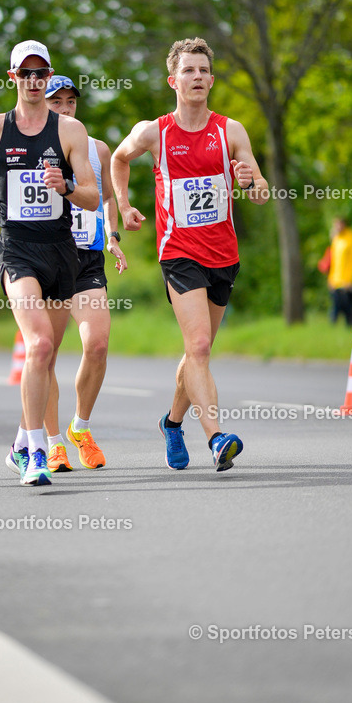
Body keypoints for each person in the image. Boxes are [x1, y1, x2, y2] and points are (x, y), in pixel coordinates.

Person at [111, 36, 269, 472]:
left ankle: (172, 422)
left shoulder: (230, 131)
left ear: (211, 80)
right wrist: (123, 205)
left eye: (203, 70)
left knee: (197, 352)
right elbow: (119, 159)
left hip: (224, 255)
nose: (197, 76)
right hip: (178, 253)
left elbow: (260, 195)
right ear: (173, 80)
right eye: (188, 70)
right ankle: (218, 438)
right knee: (198, 344)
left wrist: (248, 179)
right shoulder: (154, 131)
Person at [0, 41, 99, 486]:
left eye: (41, 74)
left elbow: (93, 197)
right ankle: (36, 452)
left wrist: (67, 186)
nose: (34, 81)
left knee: (46, 356)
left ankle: (19, 441)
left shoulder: (71, 132)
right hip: (16, 250)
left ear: (48, 76)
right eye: (26, 74)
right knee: (36, 346)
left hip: (61, 252)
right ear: (12, 77)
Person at [42, 74, 127, 472]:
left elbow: (107, 198)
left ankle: (80, 427)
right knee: (46, 354)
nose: (64, 108)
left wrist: (112, 236)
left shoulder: (97, 149)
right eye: (55, 102)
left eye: (70, 101)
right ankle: (53, 443)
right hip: (44, 259)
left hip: (88, 258)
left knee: (97, 344)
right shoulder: (31, 148)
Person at [327, 217, 352, 326]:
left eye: (338, 224)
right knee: (337, 306)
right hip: (336, 280)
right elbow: (334, 261)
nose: (336, 227)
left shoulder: (351, 239)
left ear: (344, 225)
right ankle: (335, 328)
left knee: (350, 308)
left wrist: (350, 279)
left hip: (347, 281)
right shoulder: (336, 240)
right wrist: (331, 278)